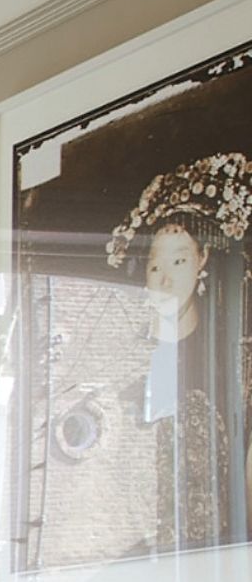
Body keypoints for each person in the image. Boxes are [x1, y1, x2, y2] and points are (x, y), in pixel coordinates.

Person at [106, 152, 252, 550]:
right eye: (156, 266)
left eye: (180, 260)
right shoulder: (132, 358)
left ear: (202, 260)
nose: (166, 278)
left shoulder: (230, 358)